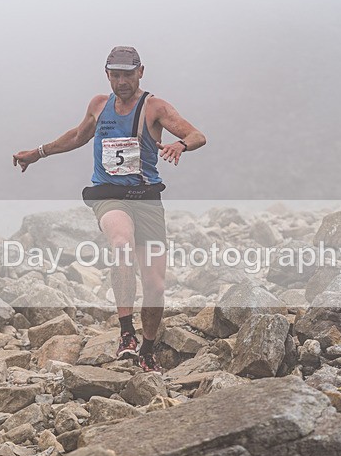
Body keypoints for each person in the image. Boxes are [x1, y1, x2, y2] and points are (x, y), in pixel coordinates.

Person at [12, 46, 206, 372]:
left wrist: (180, 144)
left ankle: (146, 350)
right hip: (107, 195)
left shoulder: (154, 107)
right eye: (115, 75)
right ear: (107, 75)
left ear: (140, 72)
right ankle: (126, 332)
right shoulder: (99, 106)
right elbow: (77, 136)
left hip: (146, 198)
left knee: (156, 284)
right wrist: (39, 152)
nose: (121, 82)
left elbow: (197, 134)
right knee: (120, 242)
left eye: (127, 75)